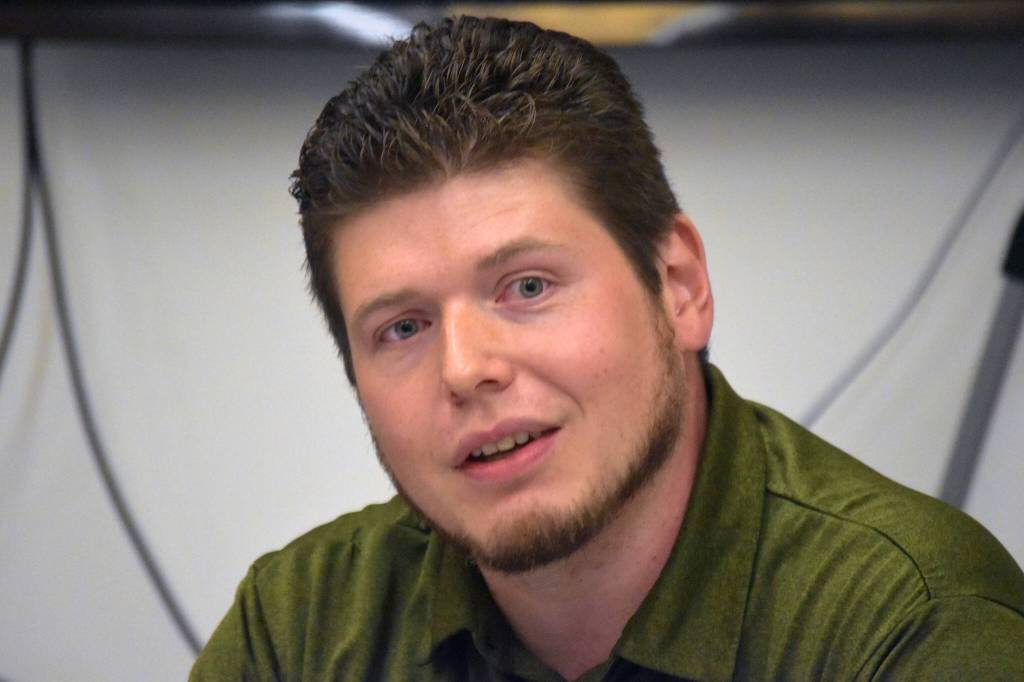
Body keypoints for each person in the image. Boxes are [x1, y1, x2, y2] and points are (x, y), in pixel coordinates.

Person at [191, 15, 1024, 681]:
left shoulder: (913, 628)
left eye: (527, 287)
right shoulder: (297, 628)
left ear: (679, 286)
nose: (465, 368)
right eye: (402, 328)